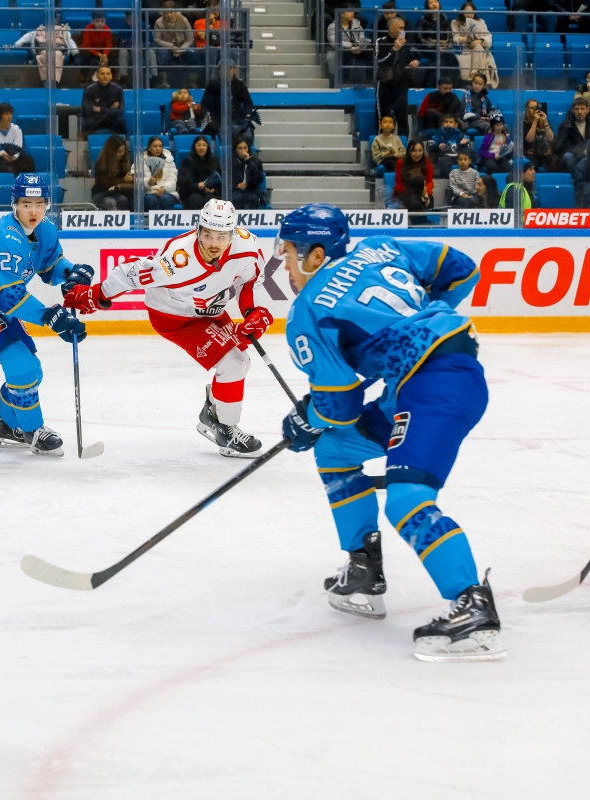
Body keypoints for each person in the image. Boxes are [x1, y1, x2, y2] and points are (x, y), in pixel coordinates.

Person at [276, 202, 503, 662]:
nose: (284, 265)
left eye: (288, 253)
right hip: (437, 376)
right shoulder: (381, 247)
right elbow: (461, 270)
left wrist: (306, 421)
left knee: (406, 499)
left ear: (316, 255)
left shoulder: (307, 312)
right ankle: (363, 567)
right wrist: (417, 326)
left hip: (435, 386)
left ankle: (471, 602)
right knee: (338, 449)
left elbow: (338, 406)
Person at [63, 199, 269, 458]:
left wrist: (256, 312)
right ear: (198, 231)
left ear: (233, 234)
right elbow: (129, 273)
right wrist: (96, 295)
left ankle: (212, 413)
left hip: (210, 309)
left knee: (241, 362)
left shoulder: (246, 247)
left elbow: (251, 282)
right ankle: (225, 430)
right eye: (207, 235)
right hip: (174, 316)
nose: (214, 243)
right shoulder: (177, 261)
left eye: (221, 236)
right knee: (235, 363)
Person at [0, 174, 89, 456]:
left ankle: (4, 424)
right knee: (20, 365)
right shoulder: (2, 236)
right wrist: (51, 317)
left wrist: (69, 272)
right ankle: (33, 429)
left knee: (33, 369)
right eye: (25, 204)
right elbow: (9, 297)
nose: (32, 211)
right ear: (14, 204)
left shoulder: (46, 229)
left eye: (38, 204)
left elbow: (50, 265)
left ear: (47, 204)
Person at [376, 17, 421, 132]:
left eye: (404, 28)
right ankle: (382, 145)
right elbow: (379, 60)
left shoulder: (405, 43)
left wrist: (415, 61)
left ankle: (403, 146)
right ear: (391, 29)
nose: (403, 31)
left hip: (401, 84)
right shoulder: (381, 41)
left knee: (402, 118)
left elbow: (413, 57)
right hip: (385, 84)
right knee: (384, 118)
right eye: (400, 28)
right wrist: (394, 49)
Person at [200, 62, 257, 144]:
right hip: (217, 119)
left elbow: (248, 104)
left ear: (234, 70)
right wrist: (207, 115)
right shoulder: (212, 86)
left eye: (229, 68)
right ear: (219, 70)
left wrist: (248, 114)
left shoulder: (240, 85)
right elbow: (204, 104)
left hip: (236, 119)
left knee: (247, 127)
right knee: (209, 127)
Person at [414, 0, 459, 85]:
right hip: (426, 50)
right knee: (440, 57)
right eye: (430, 3)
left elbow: (450, 38)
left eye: (436, 2)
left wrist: (447, 46)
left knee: (452, 58)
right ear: (427, 7)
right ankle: (432, 84)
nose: (434, 4)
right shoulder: (422, 21)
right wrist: (434, 45)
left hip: (443, 49)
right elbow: (419, 39)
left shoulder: (446, 21)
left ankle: (454, 84)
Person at [0, 102, 35, 174]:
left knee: (28, 160)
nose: (10, 116)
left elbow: (18, 148)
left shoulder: (16, 129)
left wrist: (13, 157)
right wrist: (1, 154)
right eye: (6, 114)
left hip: (14, 159)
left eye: (11, 113)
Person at [152, 0, 195, 89]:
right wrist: (172, 47)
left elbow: (190, 38)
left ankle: (192, 81)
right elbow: (157, 40)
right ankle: (163, 80)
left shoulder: (183, 20)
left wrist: (181, 49)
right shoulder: (159, 22)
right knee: (161, 53)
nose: (169, 15)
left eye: (171, 12)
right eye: (166, 13)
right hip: (167, 47)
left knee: (192, 54)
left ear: (176, 12)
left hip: (182, 45)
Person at [451, 2, 496, 87]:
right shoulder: (456, 23)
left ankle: (474, 72)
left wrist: (480, 41)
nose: (469, 15)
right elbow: (455, 37)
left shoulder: (481, 22)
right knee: (479, 53)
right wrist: (462, 39)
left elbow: (488, 36)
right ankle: (480, 81)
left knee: (479, 48)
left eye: (471, 12)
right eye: (466, 12)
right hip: (465, 49)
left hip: (479, 48)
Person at [176, 134, 221, 209]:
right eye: (198, 145)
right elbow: (183, 185)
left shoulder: (214, 162)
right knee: (196, 199)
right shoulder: (187, 162)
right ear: (194, 147)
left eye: (204, 145)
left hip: (210, 194)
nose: (201, 148)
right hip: (192, 193)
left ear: (207, 147)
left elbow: (219, 181)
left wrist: (213, 190)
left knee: (211, 200)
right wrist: (197, 186)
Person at [327, 6, 371, 82]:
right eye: (350, 12)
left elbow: (362, 38)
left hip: (357, 49)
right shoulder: (332, 27)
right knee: (345, 52)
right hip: (341, 50)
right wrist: (351, 46)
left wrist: (359, 46)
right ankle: (344, 80)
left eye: (353, 11)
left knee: (370, 51)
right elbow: (335, 42)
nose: (352, 13)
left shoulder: (357, 25)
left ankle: (370, 78)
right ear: (342, 14)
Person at [92, 134, 134, 210]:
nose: (122, 154)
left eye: (123, 150)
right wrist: (123, 180)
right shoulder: (101, 164)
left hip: (119, 192)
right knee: (110, 202)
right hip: (102, 193)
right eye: (119, 151)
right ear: (111, 152)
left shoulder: (126, 163)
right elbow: (102, 183)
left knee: (123, 199)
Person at [81, 65, 127, 136]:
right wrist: (110, 109)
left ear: (111, 76)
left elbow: (120, 110)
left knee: (121, 122)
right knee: (88, 123)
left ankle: (123, 144)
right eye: (102, 74)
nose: (105, 76)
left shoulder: (118, 89)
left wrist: (99, 109)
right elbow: (88, 109)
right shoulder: (89, 89)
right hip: (95, 120)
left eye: (108, 74)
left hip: (112, 120)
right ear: (97, 75)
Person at [140, 136, 178, 212]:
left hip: (167, 192)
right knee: (150, 199)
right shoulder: (141, 160)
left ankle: (167, 222)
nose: (158, 149)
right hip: (148, 192)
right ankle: (149, 223)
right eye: (155, 146)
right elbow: (136, 179)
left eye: (160, 146)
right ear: (149, 147)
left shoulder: (169, 160)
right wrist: (147, 182)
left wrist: (164, 188)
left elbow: (173, 178)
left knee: (165, 198)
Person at [394, 139, 434, 211]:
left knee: (430, 199)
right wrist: (413, 192)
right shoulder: (401, 162)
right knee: (414, 202)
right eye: (414, 151)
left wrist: (426, 192)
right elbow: (399, 184)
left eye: (420, 151)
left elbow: (429, 181)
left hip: (422, 192)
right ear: (409, 151)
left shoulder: (427, 161)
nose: (417, 154)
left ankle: (425, 221)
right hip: (405, 193)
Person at [555, 97, 589, 176]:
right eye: (577, 109)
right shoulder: (565, 126)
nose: (579, 112)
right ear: (573, 111)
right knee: (567, 156)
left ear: (587, 110)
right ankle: (574, 179)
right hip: (573, 157)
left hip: (588, 157)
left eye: (582, 109)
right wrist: (581, 151)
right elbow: (561, 147)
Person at [522, 98, 556, 170]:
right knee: (533, 164)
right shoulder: (524, 123)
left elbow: (551, 138)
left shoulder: (546, 122)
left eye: (536, 107)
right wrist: (535, 121)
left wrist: (545, 122)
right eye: (532, 108)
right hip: (531, 154)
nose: (534, 109)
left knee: (555, 162)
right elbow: (529, 139)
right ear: (527, 110)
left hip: (545, 154)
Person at [231, 140, 265, 210]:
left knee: (253, 199)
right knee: (237, 198)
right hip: (236, 190)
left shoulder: (256, 161)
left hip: (252, 189)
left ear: (248, 148)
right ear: (236, 150)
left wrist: (249, 162)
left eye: (245, 148)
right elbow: (227, 179)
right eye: (240, 148)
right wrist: (236, 185)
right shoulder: (231, 162)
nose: (243, 151)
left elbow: (259, 179)